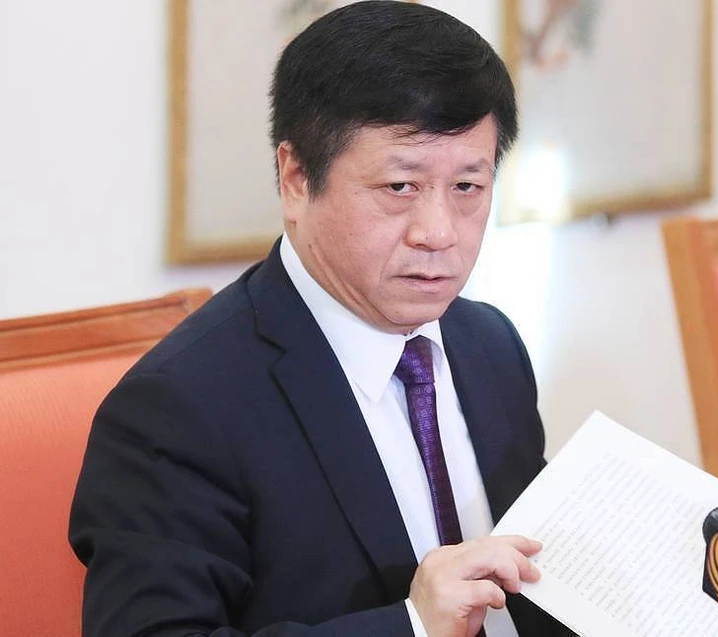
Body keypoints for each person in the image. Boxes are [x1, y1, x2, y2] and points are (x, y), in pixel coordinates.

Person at [69, 2, 570, 635]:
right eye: (400, 187)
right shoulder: (177, 412)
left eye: (467, 187)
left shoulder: (488, 344)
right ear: (296, 178)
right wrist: (411, 626)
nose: (439, 232)